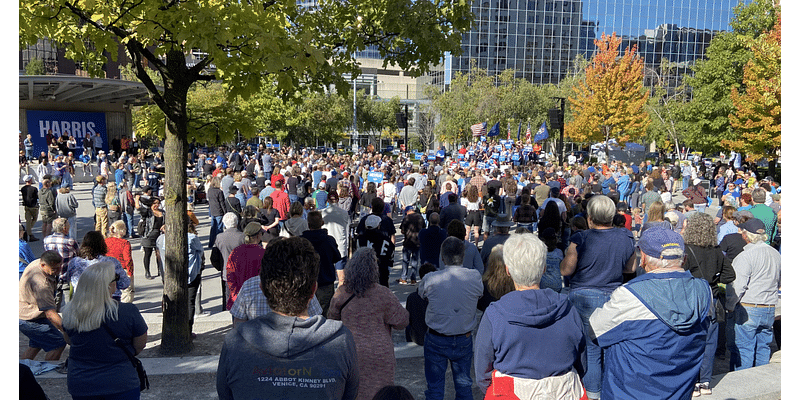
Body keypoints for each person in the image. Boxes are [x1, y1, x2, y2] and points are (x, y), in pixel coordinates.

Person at [216, 237, 359, 400]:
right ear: (314, 291)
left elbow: (225, 394)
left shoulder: (234, 342)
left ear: (262, 288)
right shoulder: (341, 340)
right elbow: (350, 394)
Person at [588, 227, 711, 400]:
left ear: (643, 257)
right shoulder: (704, 291)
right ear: (683, 258)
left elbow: (595, 332)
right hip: (680, 393)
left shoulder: (629, 295)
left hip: (629, 393)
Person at [474, 232, 587, 398]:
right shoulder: (568, 309)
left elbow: (482, 373)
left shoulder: (494, 314)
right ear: (543, 269)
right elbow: (582, 362)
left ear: (508, 270)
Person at [559, 195, 636, 400]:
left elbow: (566, 270)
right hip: (614, 297)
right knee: (611, 349)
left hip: (584, 296)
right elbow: (631, 268)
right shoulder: (626, 237)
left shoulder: (580, 239)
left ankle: (593, 394)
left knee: (591, 352)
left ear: (590, 217)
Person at [328, 248, 410, 400]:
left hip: (350, 351)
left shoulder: (342, 292)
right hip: (380, 353)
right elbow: (402, 321)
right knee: (381, 394)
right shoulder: (383, 294)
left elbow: (332, 320)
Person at [61, 262, 148, 400]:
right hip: (120, 382)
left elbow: (69, 340)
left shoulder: (69, 312)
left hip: (81, 383)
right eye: (116, 279)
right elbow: (139, 345)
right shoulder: (127, 311)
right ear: (108, 286)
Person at [417, 237, 483, 400]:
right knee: (464, 386)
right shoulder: (474, 277)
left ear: (442, 257)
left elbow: (421, 294)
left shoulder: (431, 279)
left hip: (436, 338)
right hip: (463, 338)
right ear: (462, 256)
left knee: (434, 389)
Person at [680, 212, 736, 395]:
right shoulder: (716, 250)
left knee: (690, 339)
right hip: (710, 297)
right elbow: (730, 275)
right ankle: (704, 381)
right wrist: (715, 279)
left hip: (691, 297)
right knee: (709, 342)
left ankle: (693, 380)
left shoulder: (687, 249)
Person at [726, 218, 781, 371]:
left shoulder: (745, 256)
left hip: (750, 307)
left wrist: (730, 305)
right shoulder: (775, 254)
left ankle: (743, 385)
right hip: (768, 306)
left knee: (744, 349)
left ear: (746, 236)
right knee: (763, 347)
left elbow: (737, 285)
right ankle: (759, 380)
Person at [19, 250, 67, 361]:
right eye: (54, 269)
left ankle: (21, 371)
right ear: (43, 265)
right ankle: (48, 370)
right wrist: (66, 331)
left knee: (36, 344)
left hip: (24, 313)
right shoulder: (42, 284)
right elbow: (50, 314)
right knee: (58, 343)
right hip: (30, 318)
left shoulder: (37, 262)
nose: (58, 272)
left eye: (59, 267)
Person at [66, 231, 131, 301]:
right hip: (109, 300)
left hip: (82, 299)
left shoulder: (74, 262)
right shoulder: (112, 262)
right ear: (102, 244)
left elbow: (68, 279)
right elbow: (124, 284)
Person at [302, 211, 342, 314]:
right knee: (325, 312)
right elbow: (337, 257)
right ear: (322, 223)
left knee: (306, 313)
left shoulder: (302, 241)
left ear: (308, 224)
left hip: (307, 282)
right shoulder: (329, 240)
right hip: (325, 281)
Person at [357, 215, 395, 287]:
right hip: (382, 270)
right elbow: (391, 254)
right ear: (378, 226)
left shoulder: (359, 239)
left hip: (363, 270)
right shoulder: (385, 239)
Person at [106, 220, 135, 303]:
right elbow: (128, 259)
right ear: (122, 230)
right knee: (127, 292)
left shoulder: (105, 242)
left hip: (107, 270)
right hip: (122, 270)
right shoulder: (124, 243)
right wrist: (130, 273)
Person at [399, 206, 425, 285]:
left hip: (408, 241)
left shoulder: (407, 218)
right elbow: (424, 228)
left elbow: (402, 231)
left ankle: (404, 278)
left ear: (407, 211)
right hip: (417, 242)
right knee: (415, 261)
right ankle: (413, 279)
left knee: (405, 260)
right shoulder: (420, 217)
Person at [141, 196, 165, 280]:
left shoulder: (163, 212)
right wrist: (137, 198)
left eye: (158, 203)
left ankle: (160, 270)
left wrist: (165, 225)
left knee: (159, 254)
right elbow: (139, 207)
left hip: (160, 236)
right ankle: (147, 272)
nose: (157, 205)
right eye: (155, 203)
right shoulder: (148, 212)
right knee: (148, 254)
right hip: (148, 235)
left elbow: (167, 221)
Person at [207, 176, 227, 248]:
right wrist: (225, 212)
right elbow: (222, 203)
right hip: (219, 211)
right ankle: (219, 244)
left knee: (213, 228)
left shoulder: (210, 190)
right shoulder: (219, 192)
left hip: (213, 210)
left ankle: (211, 243)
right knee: (219, 228)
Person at [21, 175, 40, 241]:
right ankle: (29, 232)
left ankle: (28, 232)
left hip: (26, 205)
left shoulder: (23, 189)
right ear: (30, 180)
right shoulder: (34, 189)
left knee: (28, 221)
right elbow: (37, 197)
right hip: (34, 205)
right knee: (34, 219)